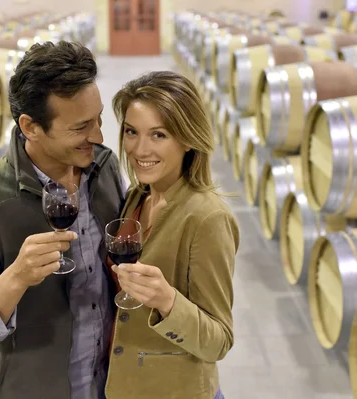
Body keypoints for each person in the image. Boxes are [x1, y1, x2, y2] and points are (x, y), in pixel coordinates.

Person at [0, 41, 126, 399]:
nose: (99, 136)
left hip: (113, 385)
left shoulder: (105, 166)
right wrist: (16, 277)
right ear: (31, 127)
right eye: (80, 127)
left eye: (99, 118)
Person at [106, 71, 240, 398]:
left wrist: (166, 301)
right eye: (131, 132)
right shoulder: (139, 195)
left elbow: (218, 340)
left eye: (159, 135)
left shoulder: (207, 218)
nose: (140, 148)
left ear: (188, 138)